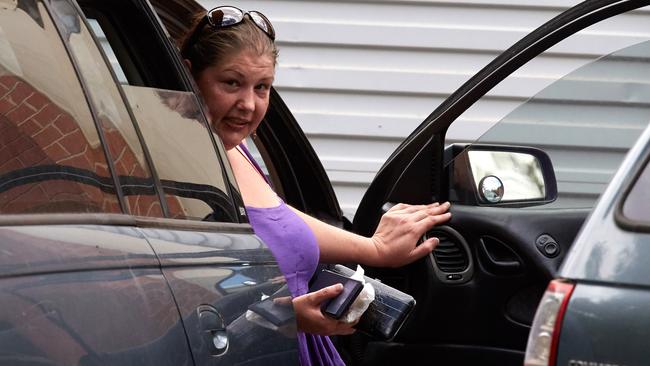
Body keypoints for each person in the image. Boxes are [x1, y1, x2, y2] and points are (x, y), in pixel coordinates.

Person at [180, 6, 451, 365]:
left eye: (262, 87)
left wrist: (375, 248)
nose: (248, 104)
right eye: (231, 82)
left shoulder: (236, 150)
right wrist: (282, 318)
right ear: (190, 78)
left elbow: (274, 217)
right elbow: (186, 305)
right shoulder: (170, 162)